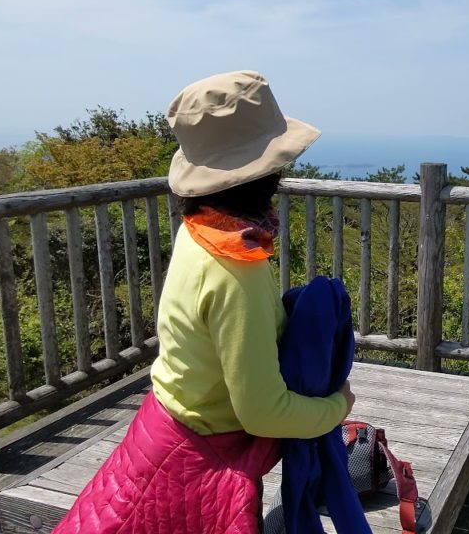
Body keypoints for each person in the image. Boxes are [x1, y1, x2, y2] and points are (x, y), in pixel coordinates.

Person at [52, 70, 354, 534]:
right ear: (266, 171)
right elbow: (263, 412)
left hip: (167, 425)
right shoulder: (236, 268)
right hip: (199, 452)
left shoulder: (202, 229)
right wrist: (337, 406)